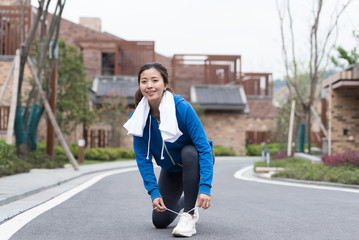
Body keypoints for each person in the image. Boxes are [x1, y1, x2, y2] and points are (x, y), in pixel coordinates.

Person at [123, 62, 214, 237]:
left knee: (189, 151)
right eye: (144, 81)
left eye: (154, 80)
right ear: (140, 85)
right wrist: (154, 192)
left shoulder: (182, 108)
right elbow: (143, 158)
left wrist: (205, 187)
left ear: (165, 84)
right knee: (159, 221)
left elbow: (203, 148)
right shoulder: (138, 118)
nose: (149, 85)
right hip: (171, 169)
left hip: (194, 161)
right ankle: (187, 202)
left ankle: (189, 214)